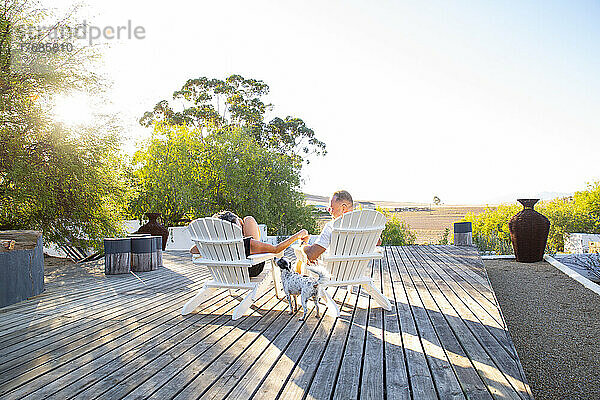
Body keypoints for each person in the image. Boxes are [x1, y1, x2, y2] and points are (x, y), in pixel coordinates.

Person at [190, 211, 308, 277]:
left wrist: (215, 239)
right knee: (249, 219)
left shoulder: (215, 244)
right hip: (250, 269)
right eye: (240, 225)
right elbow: (276, 249)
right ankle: (244, 223)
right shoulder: (247, 243)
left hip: (227, 273)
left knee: (248, 220)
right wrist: (298, 234)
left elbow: (193, 250)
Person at [301, 190, 354, 263]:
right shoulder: (366, 226)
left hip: (331, 273)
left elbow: (311, 255)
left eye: (332, 208)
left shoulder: (332, 226)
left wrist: (303, 244)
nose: (329, 211)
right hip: (357, 272)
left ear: (343, 208)